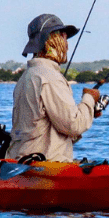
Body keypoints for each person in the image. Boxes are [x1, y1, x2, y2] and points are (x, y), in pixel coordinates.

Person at [6, 13, 101, 162]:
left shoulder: (27, 75)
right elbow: (73, 125)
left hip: (22, 159)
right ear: (52, 40)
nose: (66, 44)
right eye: (64, 37)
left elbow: (53, 130)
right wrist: (89, 98)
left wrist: (87, 111)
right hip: (43, 163)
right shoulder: (49, 77)